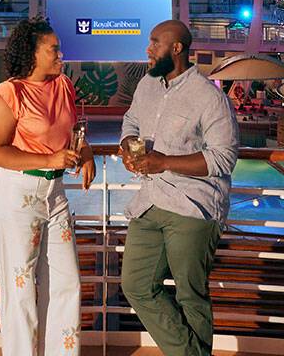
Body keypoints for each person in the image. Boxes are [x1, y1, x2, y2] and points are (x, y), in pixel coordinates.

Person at [119, 20, 237, 356]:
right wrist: (128, 144)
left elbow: (223, 159)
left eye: (155, 42)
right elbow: (130, 121)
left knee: (190, 294)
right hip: (151, 200)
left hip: (193, 205)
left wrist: (165, 161)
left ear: (176, 49)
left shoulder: (210, 98)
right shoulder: (147, 85)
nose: (148, 48)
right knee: (136, 285)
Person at [0, 16, 94, 356]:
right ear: (32, 53)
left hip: (55, 194)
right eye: (54, 49)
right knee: (20, 288)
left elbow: (72, 134)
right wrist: (48, 160)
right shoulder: (10, 93)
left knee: (67, 281)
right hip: (17, 194)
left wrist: (85, 153)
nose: (62, 55)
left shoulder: (64, 86)